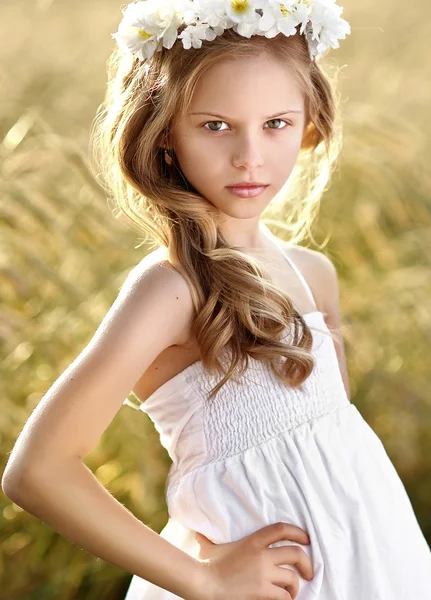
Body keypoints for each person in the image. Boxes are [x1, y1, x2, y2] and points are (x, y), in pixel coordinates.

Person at [2, 1, 431, 599]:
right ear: (166, 134)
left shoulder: (315, 276)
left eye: (275, 123)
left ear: (310, 122)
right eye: (215, 125)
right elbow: (37, 471)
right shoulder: (172, 288)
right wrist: (203, 578)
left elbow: (332, 456)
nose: (249, 156)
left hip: (373, 562)